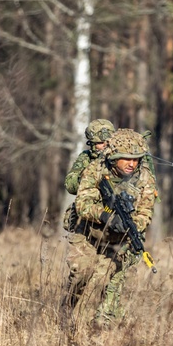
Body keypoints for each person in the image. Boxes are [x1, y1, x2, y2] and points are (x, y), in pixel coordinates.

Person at [62, 128, 158, 327]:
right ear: (114, 158)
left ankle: (93, 325)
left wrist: (130, 226)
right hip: (87, 232)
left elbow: (145, 212)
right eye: (126, 159)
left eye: (136, 159)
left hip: (117, 239)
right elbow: (82, 205)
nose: (132, 164)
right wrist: (106, 216)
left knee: (104, 279)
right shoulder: (95, 170)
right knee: (82, 272)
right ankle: (67, 307)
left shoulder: (144, 178)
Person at [64, 118, 116, 195]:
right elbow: (70, 185)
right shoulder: (86, 157)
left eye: (108, 142)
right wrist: (89, 177)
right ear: (92, 144)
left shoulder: (120, 158)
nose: (105, 146)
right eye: (100, 143)